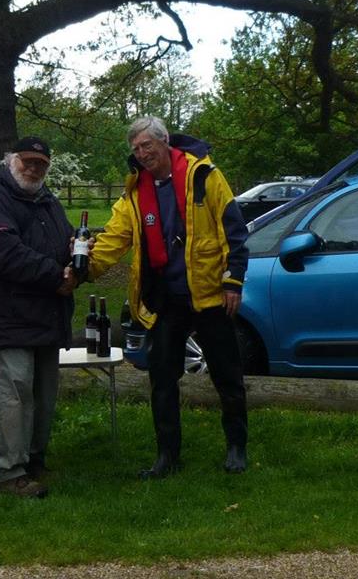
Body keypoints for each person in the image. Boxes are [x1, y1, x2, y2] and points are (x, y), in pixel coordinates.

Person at [88, 116, 249, 478]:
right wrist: (83, 269)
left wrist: (233, 281)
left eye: (147, 145)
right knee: (161, 378)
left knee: (227, 375)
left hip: (209, 294)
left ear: (165, 143)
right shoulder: (134, 191)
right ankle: (167, 456)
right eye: (136, 149)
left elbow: (233, 230)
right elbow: (114, 239)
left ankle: (237, 447)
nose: (143, 154)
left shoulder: (204, 176)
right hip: (165, 299)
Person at [0, 136, 77, 498]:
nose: (33, 168)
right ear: (10, 160)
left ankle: (33, 459)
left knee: (43, 394)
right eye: (26, 161)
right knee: (12, 394)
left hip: (46, 314)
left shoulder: (48, 201)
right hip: (8, 314)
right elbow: (2, 251)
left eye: (40, 164)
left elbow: (66, 243)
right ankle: (8, 472)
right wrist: (55, 275)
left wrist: (79, 263)